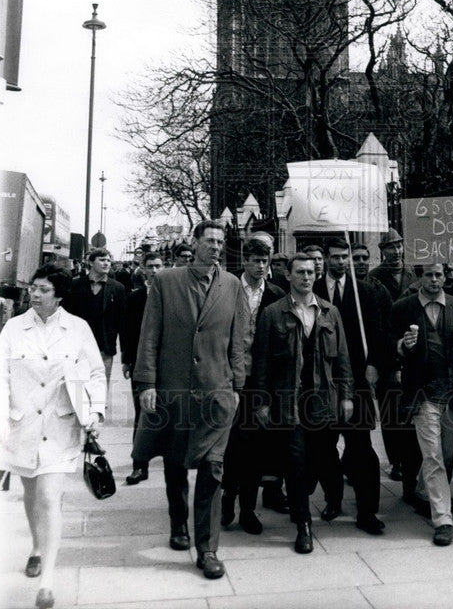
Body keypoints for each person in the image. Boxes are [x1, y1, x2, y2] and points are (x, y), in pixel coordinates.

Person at [132, 220, 247, 580]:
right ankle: (178, 524)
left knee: (213, 468)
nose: (215, 246)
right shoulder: (166, 282)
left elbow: (239, 339)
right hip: (174, 391)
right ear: (194, 243)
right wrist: (147, 382)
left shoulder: (231, 286)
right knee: (176, 463)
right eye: (209, 240)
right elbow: (149, 334)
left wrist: (238, 386)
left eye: (220, 242)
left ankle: (208, 548)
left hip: (217, 393)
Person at [0, 265, 105, 609]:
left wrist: (96, 412)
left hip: (60, 427)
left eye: (43, 289)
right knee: (32, 492)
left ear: (58, 295)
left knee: (48, 496)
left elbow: (96, 372)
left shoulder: (78, 329)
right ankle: (36, 547)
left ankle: (47, 581)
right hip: (23, 426)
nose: (35, 294)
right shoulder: (14, 328)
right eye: (34, 288)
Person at [253, 254, 354, 554]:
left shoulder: (330, 312)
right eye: (300, 272)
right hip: (289, 402)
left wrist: (346, 396)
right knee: (295, 464)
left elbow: (343, 359)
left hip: (322, 401)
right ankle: (303, 525)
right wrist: (261, 401)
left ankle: (324, 500)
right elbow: (261, 363)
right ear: (288, 275)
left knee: (321, 458)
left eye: (310, 272)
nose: (306, 277)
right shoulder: (273, 313)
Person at [390, 261, 453, 546]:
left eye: (440, 274)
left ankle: (427, 493)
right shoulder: (403, 307)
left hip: (452, 393)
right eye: (429, 274)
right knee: (433, 456)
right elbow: (388, 345)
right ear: (419, 276)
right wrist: (403, 345)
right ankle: (443, 519)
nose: (435, 280)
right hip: (422, 394)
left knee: (447, 454)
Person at [313, 238, 389, 534]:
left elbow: (379, 332)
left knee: (362, 447)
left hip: (357, 379)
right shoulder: (314, 290)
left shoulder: (365, 292)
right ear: (326, 258)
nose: (342, 261)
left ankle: (368, 510)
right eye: (336, 257)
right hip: (322, 383)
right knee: (324, 446)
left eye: (346, 256)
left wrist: (374, 365)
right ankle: (333, 498)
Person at [221, 238, 285, 533]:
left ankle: (248, 508)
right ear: (245, 261)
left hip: (261, 381)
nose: (261, 266)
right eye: (256, 261)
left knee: (255, 448)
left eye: (265, 261)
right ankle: (227, 499)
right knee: (230, 445)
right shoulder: (228, 288)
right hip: (231, 378)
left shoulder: (276, 294)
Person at [368, 228, 418, 483]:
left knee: (411, 409)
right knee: (391, 410)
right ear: (382, 251)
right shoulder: (374, 278)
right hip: (388, 350)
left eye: (399, 246)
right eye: (391, 247)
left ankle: (411, 459)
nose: (397, 252)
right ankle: (396, 460)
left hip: (413, 349)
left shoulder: (414, 274)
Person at [121, 251, 163, 485]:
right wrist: (127, 359)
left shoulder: (172, 294)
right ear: (144, 269)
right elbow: (127, 329)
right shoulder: (136, 297)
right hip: (141, 363)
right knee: (143, 413)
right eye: (150, 266)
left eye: (158, 266)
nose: (154, 270)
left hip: (167, 362)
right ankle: (140, 465)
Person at [64, 248, 126, 386]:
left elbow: (122, 321)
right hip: (78, 348)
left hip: (104, 348)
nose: (106, 263)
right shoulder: (75, 285)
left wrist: (125, 353)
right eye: (102, 260)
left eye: (109, 260)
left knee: (100, 389)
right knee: (78, 389)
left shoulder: (117, 288)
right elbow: (65, 316)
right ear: (91, 262)